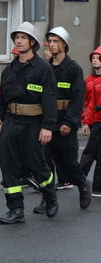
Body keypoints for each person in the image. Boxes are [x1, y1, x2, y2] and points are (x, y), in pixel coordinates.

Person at [0, 22, 57, 225]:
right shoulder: (9, 69)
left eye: (22, 37)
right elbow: (3, 97)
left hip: (33, 123)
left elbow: (49, 98)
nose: (18, 41)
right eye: (16, 37)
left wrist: (48, 126)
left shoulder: (43, 69)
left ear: (32, 42)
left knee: (35, 163)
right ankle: (15, 209)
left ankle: (50, 194)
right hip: (12, 121)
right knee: (8, 164)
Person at [35, 27, 91, 212]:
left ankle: (82, 184)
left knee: (68, 163)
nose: (51, 44)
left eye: (55, 41)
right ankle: (47, 197)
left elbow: (77, 98)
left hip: (65, 122)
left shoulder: (73, 69)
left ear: (64, 44)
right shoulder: (45, 67)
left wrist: (69, 121)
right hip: (47, 123)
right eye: (49, 41)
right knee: (44, 161)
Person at [81, 46, 101, 196]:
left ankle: (97, 187)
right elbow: (88, 103)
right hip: (96, 121)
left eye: (97, 57)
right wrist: (86, 122)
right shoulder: (89, 80)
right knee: (89, 152)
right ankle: (79, 178)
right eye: (93, 58)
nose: (94, 60)